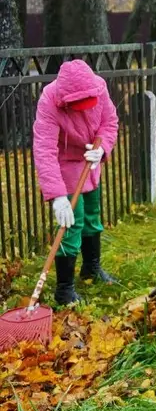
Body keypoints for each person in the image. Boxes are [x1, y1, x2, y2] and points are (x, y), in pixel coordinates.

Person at [33, 59, 120, 305]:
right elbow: (44, 150)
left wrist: (102, 149)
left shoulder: (99, 87)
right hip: (65, 164)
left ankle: (91, 268)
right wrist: (57, 196)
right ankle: (64, 289)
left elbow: (109, 122)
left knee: (92, 215)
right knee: (72, 222)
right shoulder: (49, 101)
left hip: (90, 160)